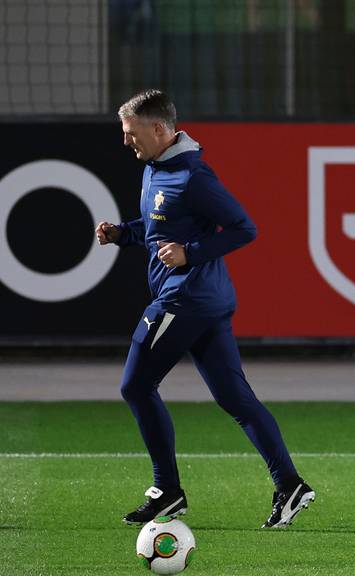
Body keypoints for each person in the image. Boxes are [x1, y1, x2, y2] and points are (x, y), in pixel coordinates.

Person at [95, 89, 315, 528]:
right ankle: (290, 485)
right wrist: (123, 233)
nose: (126, 142)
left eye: (131, 133)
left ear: (158, 129)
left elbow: (243, 228)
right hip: (204, 302)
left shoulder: (193, 175)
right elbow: (161, 228)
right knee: (234, 396)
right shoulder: (157, 168)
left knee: (135, 386)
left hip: (185, 299)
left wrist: (191, 254)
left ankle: (166, 491)